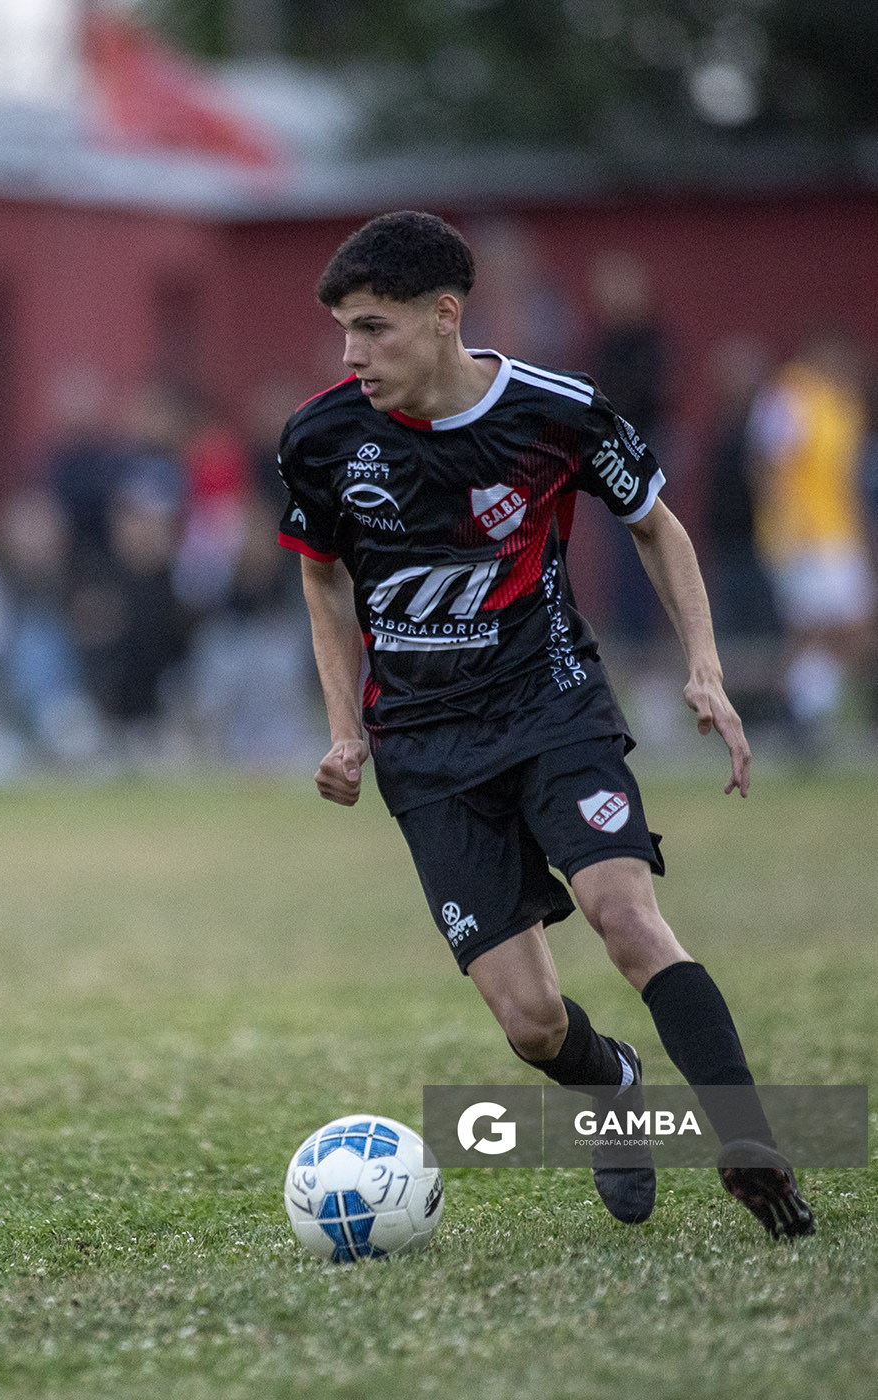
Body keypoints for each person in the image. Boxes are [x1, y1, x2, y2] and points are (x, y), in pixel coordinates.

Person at [277, 210, 814, 1241]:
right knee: (532, 1023)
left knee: (625, 913)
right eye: (345, 329)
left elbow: (655, 522)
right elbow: (323, 575)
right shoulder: (322, 436)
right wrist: (346, 731)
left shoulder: (556, 413)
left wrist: (706, 669)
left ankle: (750, 1139)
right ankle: (615, 1085)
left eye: (374, 328)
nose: (354, 352)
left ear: (444, 316)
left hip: (550, 703)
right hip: (426, 749)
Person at [748, 330, 876, 757]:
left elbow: (846, 479)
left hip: (838, 534)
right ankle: (798, 717)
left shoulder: (845, 405)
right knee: (818, 629)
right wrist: (785, 523)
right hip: (803, 534)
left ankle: (800, 709)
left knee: (843, 630)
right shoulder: (791, 393)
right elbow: (767, 462)